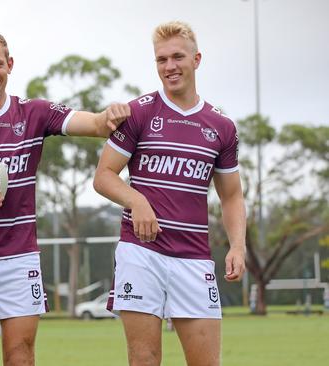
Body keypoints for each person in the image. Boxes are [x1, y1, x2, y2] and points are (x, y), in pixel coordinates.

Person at [0, 29, 130, 366]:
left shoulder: (34, 113)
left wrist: (109, 116)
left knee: (21, 359)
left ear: (10, 64)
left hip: (18, 260)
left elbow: (93, 124)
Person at [93, 21, 246, 366]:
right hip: (141, 254)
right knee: (144, 360)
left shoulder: (221, 127)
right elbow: (103, 176)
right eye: (161, 59)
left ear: (197, 59)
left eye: (178, 57)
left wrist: (237, 245)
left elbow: (232, 195)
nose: (170, 66)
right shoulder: (139, 113)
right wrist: (136, 199)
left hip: (194, 258)